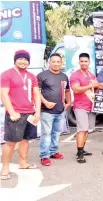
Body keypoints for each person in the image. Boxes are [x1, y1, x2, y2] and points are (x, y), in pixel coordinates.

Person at [1, 50, 41, 180]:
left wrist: (38, 111)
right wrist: (12, 112)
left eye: (26, 59)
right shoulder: (7, 74)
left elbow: (36, 94)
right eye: (20, 59)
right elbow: (3, 94)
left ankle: (23, 162)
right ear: (15, 60)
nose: (23, 61)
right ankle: (5, 168)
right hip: (15, 114)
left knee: (25, 140)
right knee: (11, 142)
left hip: (30, 113)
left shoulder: (32, 76)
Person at [37, 53, 71, 166]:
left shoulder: (64, 76)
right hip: (46, 111)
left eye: (58, 62)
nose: (56, 64)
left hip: (60, 110)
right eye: (54, 61)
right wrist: (45, 102)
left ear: (61, 63)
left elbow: (67, 91)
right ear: (49, 63)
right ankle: (44, 156)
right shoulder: (42, 75)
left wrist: (69, 102)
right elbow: (36, 92)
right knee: (46, 134)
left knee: (56, 133)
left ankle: (53, 151)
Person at [70, 53, 98, 163]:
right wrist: (91, 86)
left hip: (91, 106)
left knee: (87, 130)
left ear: (89, 62)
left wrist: (96, 89)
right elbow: (76, 89)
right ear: (79, 62)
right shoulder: (75, 75)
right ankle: (79, 153)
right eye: (82, 61)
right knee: (82, 130)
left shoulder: (92, 75)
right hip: (80, 106)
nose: (84, 63)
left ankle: (82, 149)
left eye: (86, 61)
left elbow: (96, 89)